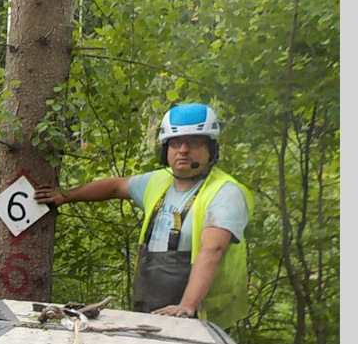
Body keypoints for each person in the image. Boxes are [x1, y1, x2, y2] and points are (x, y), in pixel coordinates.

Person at [34, 102, 254, 330]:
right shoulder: (158, 182)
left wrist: (187, 306)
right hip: (152, 310)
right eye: (176, 143)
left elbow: (213, 250)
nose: (183, 150)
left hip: (200, 317)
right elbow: (115, 187)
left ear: (212, 149)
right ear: (165, 149)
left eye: (195, 142)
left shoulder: (225, 192)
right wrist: (65, 196)